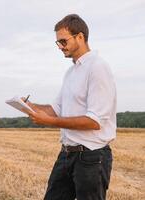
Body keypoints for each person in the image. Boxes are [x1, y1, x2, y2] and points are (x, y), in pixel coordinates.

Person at [23, 14, 117, 200]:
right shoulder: (71, 72)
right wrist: (30, 106)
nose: (60, 47)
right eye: (57, 43)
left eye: (63, 41)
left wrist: (50, 122)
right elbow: (56, 108)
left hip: (92, 157)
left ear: (80, 37)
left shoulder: (98, 68)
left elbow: (94, 121)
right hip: (67, 153)